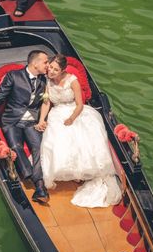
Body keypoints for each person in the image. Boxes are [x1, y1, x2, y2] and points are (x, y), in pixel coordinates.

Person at [36, 54, 121, 208]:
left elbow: (80, 104)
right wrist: (42, 119)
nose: (52, 72)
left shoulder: (72, 80)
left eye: (56, 69)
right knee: (56, 137)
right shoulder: (47, 81)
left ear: (62, 71)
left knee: (82, 136)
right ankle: (70, 172)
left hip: (76, 112)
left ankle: (82, 172)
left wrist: (72, 119)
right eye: (51, 68)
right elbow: (46, 103)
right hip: (57, 113)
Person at [0, 50, 50, 203]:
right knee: (16, 146)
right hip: (11, 120)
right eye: (45, 62)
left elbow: (45, 102)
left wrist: (43, 119)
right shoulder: (13, 76)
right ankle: (34, 179)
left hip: (31, 121)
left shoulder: (44, 80)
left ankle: (39, 187)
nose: (48, 65)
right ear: (35, 63)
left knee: (38, 146)